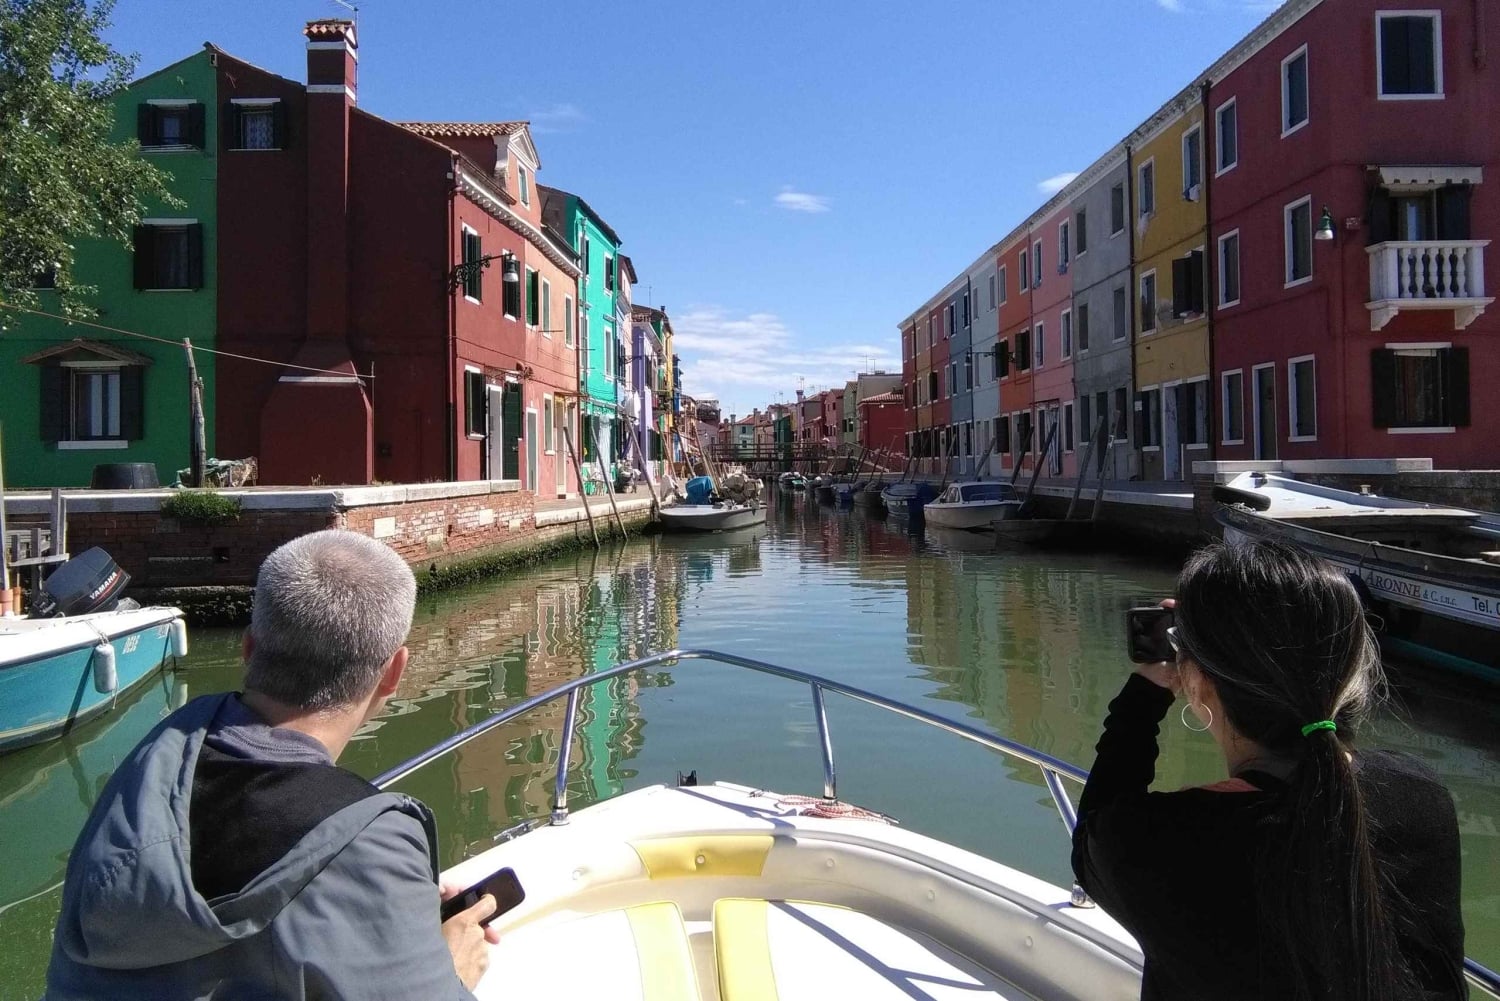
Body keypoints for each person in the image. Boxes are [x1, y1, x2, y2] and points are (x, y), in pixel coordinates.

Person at [47, 529, 500, 1000]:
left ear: (248, 648)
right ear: (394, 672)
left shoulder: (154, 759)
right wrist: (453, 970)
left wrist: (391, 900)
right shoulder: (369, 839)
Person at [1072, 540, 1466, 1001]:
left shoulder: (1160, 845)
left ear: (1196, 682)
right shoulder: (1423, 798)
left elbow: (1092, 837)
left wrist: (1143, 698)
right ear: (1349, 669)